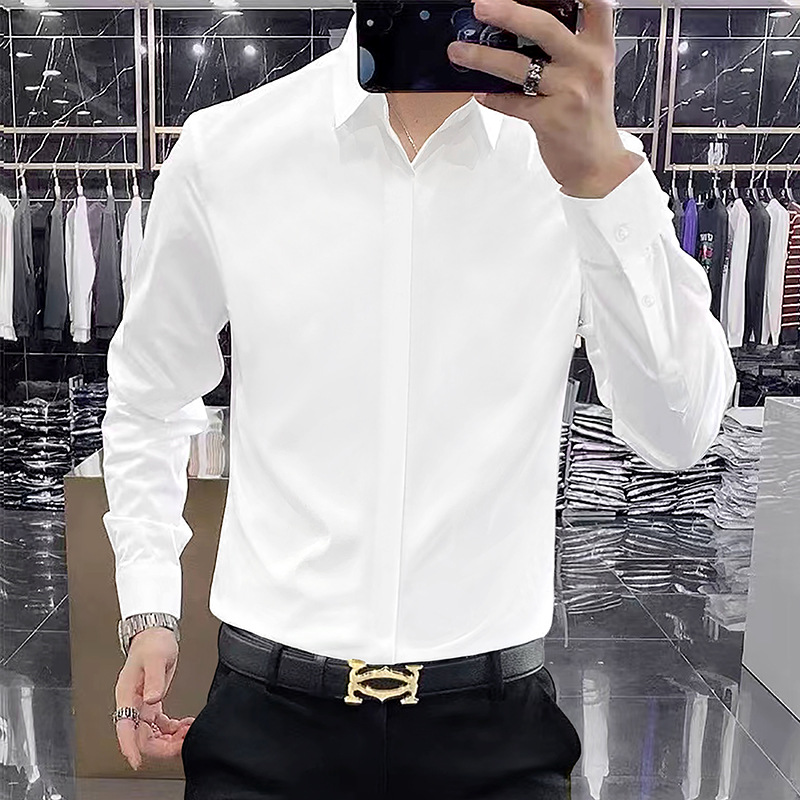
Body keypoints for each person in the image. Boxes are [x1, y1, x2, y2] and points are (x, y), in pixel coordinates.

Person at [103, 0, 737, 798]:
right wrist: (149, 605)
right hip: (268, 721)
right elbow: (150, 393)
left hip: (495, 731)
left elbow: (679, 430)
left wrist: (602, 180)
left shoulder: (580, 165)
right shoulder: (232, 150)